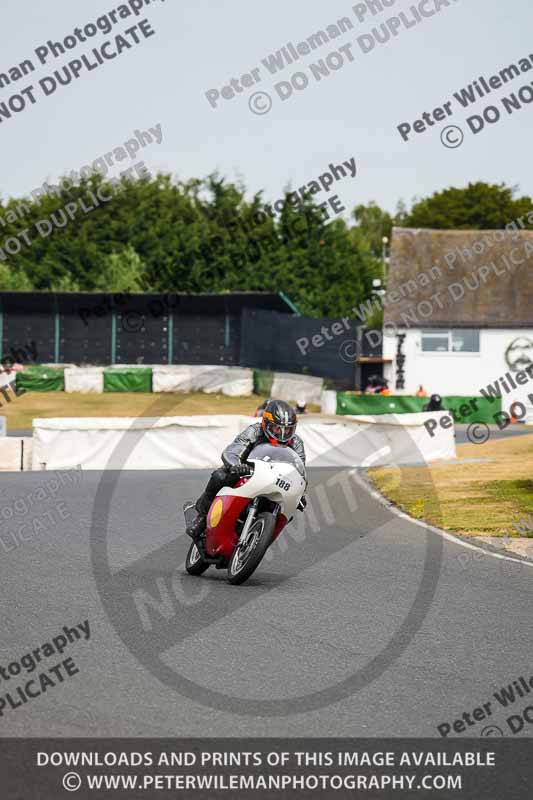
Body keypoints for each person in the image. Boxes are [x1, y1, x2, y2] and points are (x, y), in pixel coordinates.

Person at [186, 399, 306, 541]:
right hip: (247, 471)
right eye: (277, 428)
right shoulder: (254, 431)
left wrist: (301, 494)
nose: (282, 434)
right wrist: (236, 465)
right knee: (219, 476)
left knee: (289, 509)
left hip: (276, 479)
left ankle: (263, 538)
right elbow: (232, 451)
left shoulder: (296, 443)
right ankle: (201, 517)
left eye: (288, 430)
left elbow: (300, 471)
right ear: (266, 424)